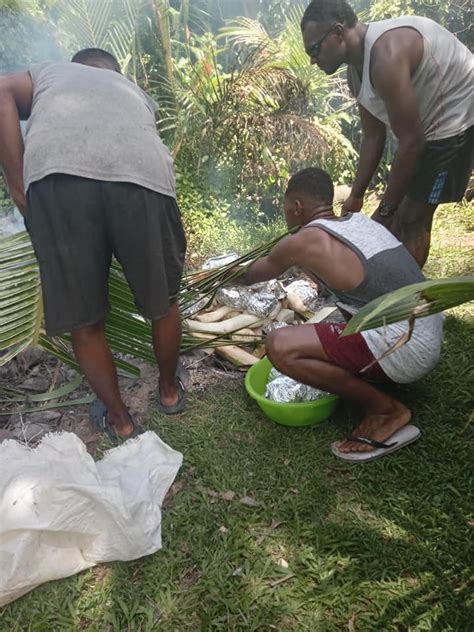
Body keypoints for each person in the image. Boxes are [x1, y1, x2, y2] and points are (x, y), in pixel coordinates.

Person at [0, 48, 187, 440]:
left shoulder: (51, 71)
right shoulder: (134, 92)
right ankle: (169, 394)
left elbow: (1, 88)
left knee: (85, 323)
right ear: (113, 71)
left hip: (60, 178)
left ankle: (120, 420)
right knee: (163, 301)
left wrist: (19, 187)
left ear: (76, 64)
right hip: (145, 180)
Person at [238, 167, 443, 462]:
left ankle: (385, 410)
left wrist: (223, 271)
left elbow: (252, 275)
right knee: (341, 317)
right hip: (426, 330)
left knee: (279, 346)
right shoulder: (359, 223)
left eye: (286, 209)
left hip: (408, 348)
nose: (286, 217)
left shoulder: (305, 241)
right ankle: (377, 377)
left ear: (297, 207)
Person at [300, 0, 473, 268]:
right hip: (425, 126)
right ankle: (388, 288)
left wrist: (385, 210)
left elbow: (413, 143)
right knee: (393, 217)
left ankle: (406, 302)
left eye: (314, 48)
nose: (312, 60)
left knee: (412, 217)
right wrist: (356, 195)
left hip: (455, 118)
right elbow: (373, 136)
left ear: (338, 32)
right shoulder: (356, 74)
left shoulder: (385, 57)